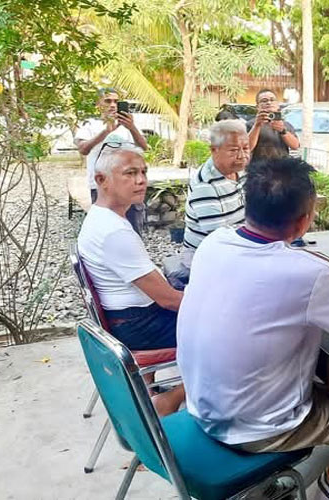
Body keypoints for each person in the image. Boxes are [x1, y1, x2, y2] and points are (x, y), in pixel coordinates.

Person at [177, 157, 329, 500]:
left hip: (205, 405)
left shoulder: (214, 242)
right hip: (257, 426)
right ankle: (324, 494)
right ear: (305, 220)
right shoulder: (312, 273)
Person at [76, 144, 184, 415]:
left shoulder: (100, 217)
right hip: (138, 326)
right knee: (228, 330)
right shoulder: (113, 232)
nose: (141, 180)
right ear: (101, 180)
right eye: (130, 173)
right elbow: (169, 301)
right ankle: (170, 399)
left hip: (124, 318)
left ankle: (146, 390)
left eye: (144, 172)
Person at [74, 88, 149, 235]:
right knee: (105, 230)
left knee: (132, 229)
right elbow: (83, 149)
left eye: (116, 101)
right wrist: (106, 132)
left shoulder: (127, 125)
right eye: (108, 101)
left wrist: (132, 127)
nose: (113, 105)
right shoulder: (89, 124)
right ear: (98, 104)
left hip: (129, 186)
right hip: (102, 187)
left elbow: (144, 147)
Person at [181, 119, 251, 271]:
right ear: (214, 150)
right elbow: (219, 239)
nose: (242, 155)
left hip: (238, 243)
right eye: (233, 150)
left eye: (246, 148)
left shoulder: (240, 171)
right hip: (207, 254)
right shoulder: (205, 185)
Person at [246, 88, 300, 160]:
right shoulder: (251, 124)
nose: (269, 103)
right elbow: (247, 147)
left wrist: (283, 131)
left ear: (278, 105)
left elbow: (295, 146)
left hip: (283, 164)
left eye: (272, 100)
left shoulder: (286, 125)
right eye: (264, 101)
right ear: (257, 107)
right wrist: (257, 126)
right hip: (259, 165)